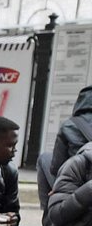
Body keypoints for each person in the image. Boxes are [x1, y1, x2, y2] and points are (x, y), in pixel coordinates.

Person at [37, 83, 92, 212]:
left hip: (76, 186)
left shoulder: (69, 125)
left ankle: (49, 214)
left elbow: (56, 166)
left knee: (44, 158)